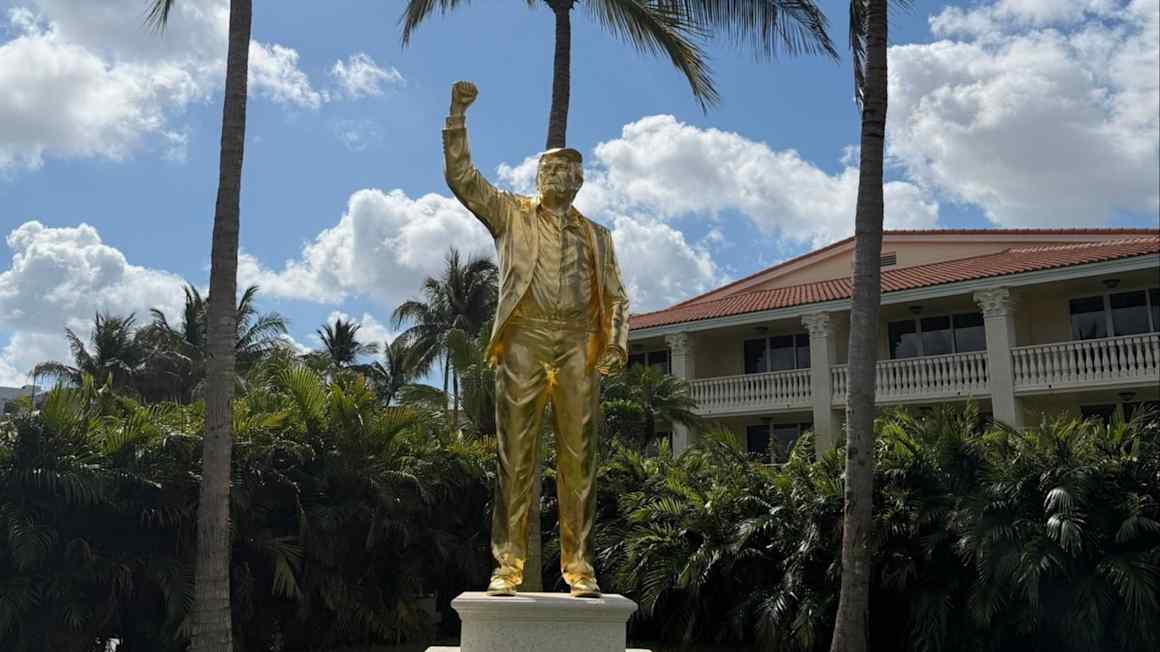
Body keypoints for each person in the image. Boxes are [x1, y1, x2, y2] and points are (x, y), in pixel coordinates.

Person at [442, 81, 629, 597]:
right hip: (524, 337)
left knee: (579, 460)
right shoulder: (511, 214)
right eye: (552, 169)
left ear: (581, 180)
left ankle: (580, 567)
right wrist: (457, 117)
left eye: (570, 171)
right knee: (515, 455)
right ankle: (508, 566)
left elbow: (615, 296)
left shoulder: (597, 235)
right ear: (538, 175)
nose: (561, 177)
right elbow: (462, 178)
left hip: (577, 343)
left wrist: (614, 342)